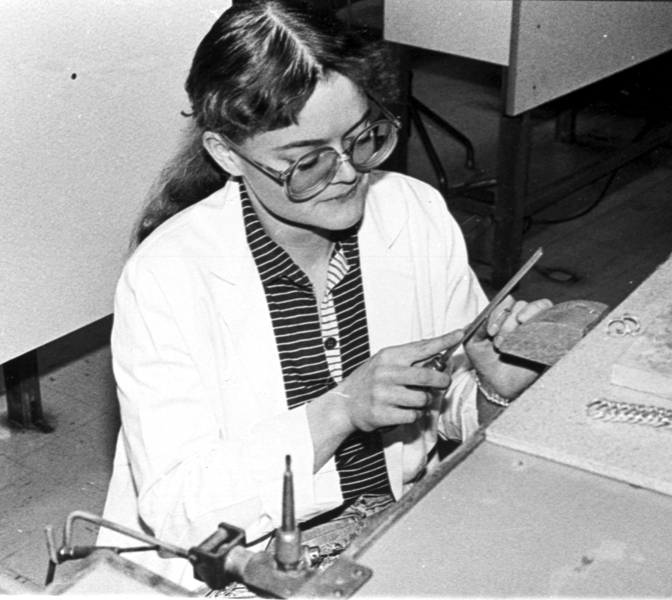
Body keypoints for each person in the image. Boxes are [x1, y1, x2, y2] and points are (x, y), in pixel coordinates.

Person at [99, 0, 551, 592]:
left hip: (388, 528)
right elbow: (181, 508)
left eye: (362, 138)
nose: (347, 173)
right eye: (307, 161)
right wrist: (339, 411)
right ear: (228, 154)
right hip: (237, 560)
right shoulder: (167, 276)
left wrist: (494, 386)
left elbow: (446, 407)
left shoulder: (412, 212)